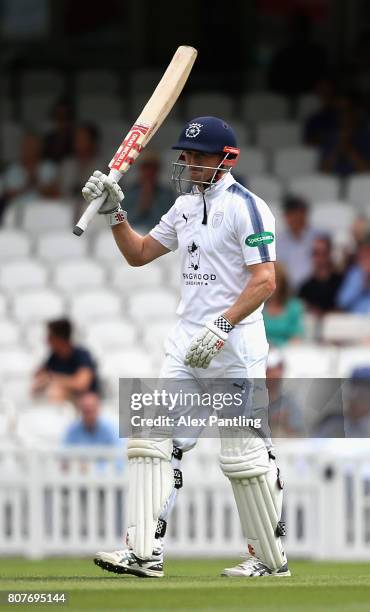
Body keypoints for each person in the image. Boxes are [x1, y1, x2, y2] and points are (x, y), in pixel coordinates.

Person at [81, 116, 290, 578]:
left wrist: (220, 326)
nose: (189, 163)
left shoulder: (248, 208)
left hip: (234, 347)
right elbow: (138, 254)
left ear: (225, 159)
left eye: (198, 157)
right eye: (187, 156)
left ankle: (268, 561)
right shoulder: (182, 207)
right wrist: (115, 214)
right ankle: (143, 554)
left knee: (244, 458)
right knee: (153, 439)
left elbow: (265, 281)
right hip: (185, 344)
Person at [32, 318, 100, 403]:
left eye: (50, 336)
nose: (47, 340)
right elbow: (40, 377)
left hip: (86, 402)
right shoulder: (53, 358)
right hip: (69, 402)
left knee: (56, 390)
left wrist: (53, 378)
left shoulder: (81, 355)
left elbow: (82, 384)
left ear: (60, 338)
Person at [320, 91, 370, 176]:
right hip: (331, 184)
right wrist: (338, 147)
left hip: (361, 185)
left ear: (355, 112)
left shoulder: (366, 137)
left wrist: (349, 150)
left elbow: (366, 170)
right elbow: (324, 170)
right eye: (339, 112)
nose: (343, 115)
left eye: (346, 110)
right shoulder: (331, 137)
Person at [3, 132, 59, 206]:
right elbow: (7, 196)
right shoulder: (12, 170)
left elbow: (56, 193)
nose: (29, 149)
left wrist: (36, 183)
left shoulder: (49, 167)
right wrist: (26, 186)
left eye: (32, 145)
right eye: (26, 145)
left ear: (39, 148)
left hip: (44, 209)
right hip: (18, 210)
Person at [123, 151, 173, 229]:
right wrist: (141, 206)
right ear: (140, 169)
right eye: (146, 167)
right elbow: (123, 222)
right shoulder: (128, 192)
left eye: (154, 168)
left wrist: (150, 198)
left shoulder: (167, 194)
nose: (150, 171)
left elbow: (167, 223)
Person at [277, 194, 317, 290]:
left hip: (314, 290)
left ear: (304, 214)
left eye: (295, 213)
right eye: (289, 214)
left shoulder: (318, 238)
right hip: (287, 292)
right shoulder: (279, 242)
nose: (292, 218)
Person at [299, 234, 343, 315]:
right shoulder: (305, 288)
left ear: (330, 254)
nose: (320, 258)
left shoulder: (342, 282)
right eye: (316, 253)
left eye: (324, 253)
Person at [264, 263, 304, 347]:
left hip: (286, 355)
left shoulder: (294, 307)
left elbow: (297, 338)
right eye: (266, 282)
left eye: (275, 282)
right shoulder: (257, 306)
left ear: (283, 284)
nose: (271, 286)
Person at [266, 349, 305, 437]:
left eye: (280, 368)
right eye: (271, 369)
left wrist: (284, 422)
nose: (277, 374)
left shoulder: (289, 402)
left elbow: (297, 435)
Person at [336, 232, 370, 313]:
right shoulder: (354, 273)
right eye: (364, 251)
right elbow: (342, 302)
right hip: (356, 321)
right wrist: (363, 283)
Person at [43, 97, 75, 162]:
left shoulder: (75, 140)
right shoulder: (48, 140)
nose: (61, 121)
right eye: (59, 116)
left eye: (65, 116)